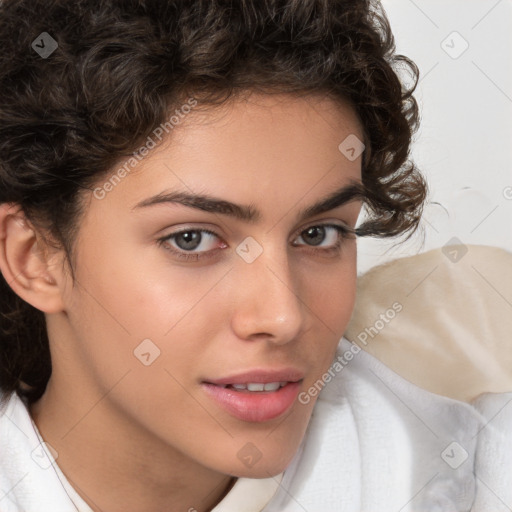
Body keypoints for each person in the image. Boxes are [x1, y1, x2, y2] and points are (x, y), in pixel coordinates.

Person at [0, 1, 490, 511]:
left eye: (319, 234)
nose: (283, 316)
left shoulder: (456, 476)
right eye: (192, 239)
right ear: (33, 256)